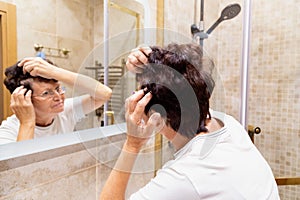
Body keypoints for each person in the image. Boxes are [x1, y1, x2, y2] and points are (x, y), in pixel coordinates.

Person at [99, 43, 279, 199]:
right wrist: (151, 62)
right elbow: (183, 82)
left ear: (157, 117)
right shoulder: (227, 124)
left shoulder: (186, 175)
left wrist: (132, 144)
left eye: (139, 94)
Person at [0, 57, 112, 144]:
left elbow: (104, 94)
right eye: (46, 93)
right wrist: (27, 123)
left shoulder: (65, 112)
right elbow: (18, 171)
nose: (59, 97)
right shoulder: (8, 131)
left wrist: (55, 72)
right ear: (25, 99)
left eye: (58, 88)